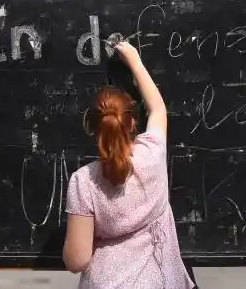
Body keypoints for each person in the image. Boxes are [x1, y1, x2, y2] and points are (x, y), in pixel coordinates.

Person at [63, 40, 195, 289]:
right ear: (133, 123)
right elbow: (157, 109)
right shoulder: (152, 155)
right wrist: (135, 60)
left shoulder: (84, 182)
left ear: (91, 128)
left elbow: (77, 260)